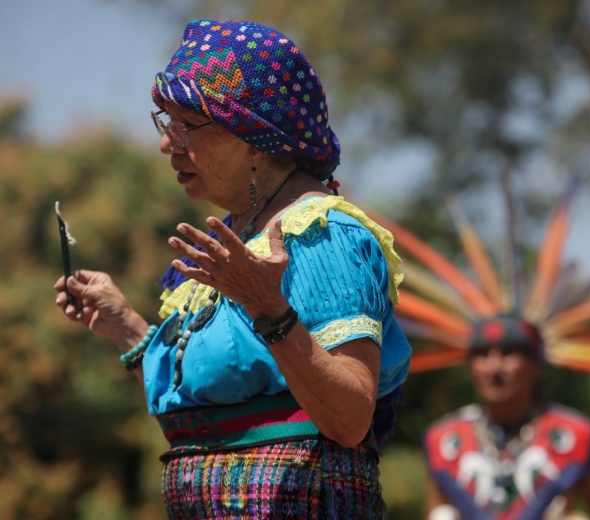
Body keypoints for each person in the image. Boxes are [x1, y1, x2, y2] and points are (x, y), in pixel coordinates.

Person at [54, 18, 411, 519]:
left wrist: (269, 307)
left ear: (253, 132)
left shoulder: (321, 235)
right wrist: (126, 329)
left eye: (187, 125)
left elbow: (350, 418)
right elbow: (197, 419)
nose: (166, 143)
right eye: (165, 122)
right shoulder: (236, 243)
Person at [422, 315, 590, 520]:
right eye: (483, 355)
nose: (494, 368)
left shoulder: (576, 437)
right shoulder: (445, 441)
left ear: (536, 366)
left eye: (508, 353)